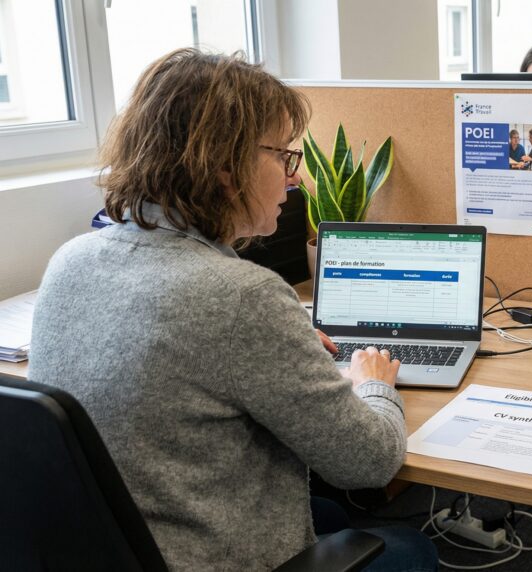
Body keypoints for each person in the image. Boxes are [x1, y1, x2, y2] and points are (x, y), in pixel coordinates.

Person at [29, 49, 437, 572]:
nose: (294, 179)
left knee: (331, 513)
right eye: (283, 157)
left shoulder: (70, 260)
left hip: (115, 546)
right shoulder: (242, 297)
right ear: (224, 166)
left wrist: (281, 349)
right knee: (414, 548)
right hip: (208, 554)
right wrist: (372, 383)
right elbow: (371, 461)